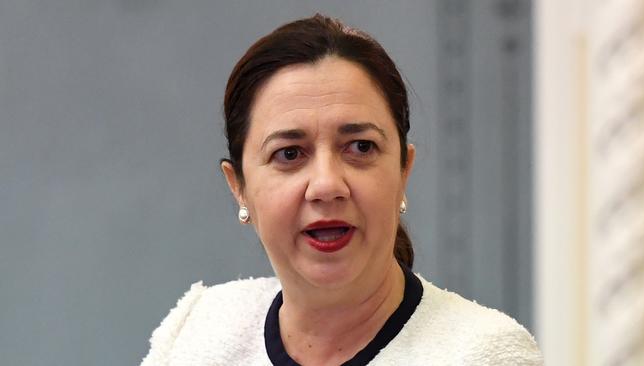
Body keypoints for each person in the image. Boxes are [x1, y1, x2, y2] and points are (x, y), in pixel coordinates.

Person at [141, 14, 543, 366]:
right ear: (239, 187)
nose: (327, 185)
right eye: (290, 153)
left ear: (404, 170)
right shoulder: (198, 333)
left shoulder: (483, 354)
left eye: (360, 147)